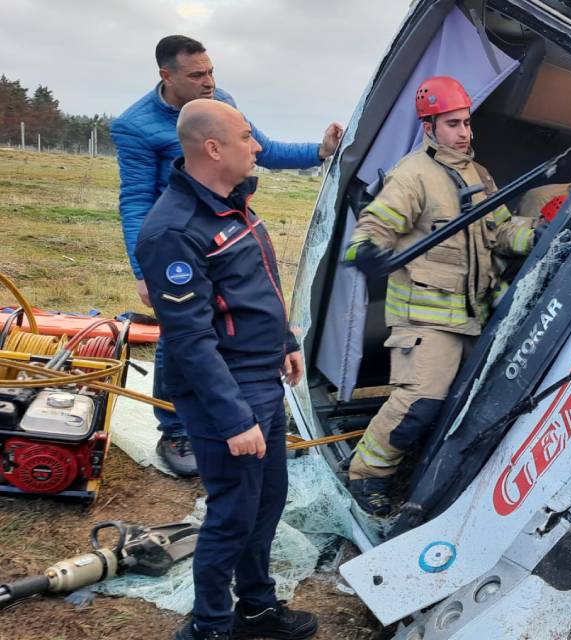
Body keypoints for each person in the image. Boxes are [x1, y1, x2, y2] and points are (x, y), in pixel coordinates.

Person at [111, 34, 342, 477]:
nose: (209, 81)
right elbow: (137, 199)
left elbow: (264, 150)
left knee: (234, 323)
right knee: (182, 332)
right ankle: (175, 427)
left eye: (211, 70)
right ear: (167, 76)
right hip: (179, 243)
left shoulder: (221, 101)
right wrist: (143, 271)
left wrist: (319, 151)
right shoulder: (136, 125)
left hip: (224, 231)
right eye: (197, 74)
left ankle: (248, 415)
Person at [136, 99, 318, 640]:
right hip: (227, 395)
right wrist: (235, 419)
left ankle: (256, 608)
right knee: (232, 514)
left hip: (262, 380)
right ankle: (209, 627)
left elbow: (254, 285)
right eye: (247, 136)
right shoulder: (173, 231)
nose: (257, 146)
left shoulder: (232, 204)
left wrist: (283, 339)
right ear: (213, 148)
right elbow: (190, 340)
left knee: (266, 502)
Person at [344, 76, 536, 516]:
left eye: (467, 122)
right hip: (427, 321)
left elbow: (502, 231)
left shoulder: (478, 174)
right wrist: (367, 252)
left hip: (477, 314)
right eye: (452, 124)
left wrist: (537, 232)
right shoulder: (413, 176)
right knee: (419, 402)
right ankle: (367, 475)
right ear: (429, 127)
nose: (464, 133)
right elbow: (372, 230)